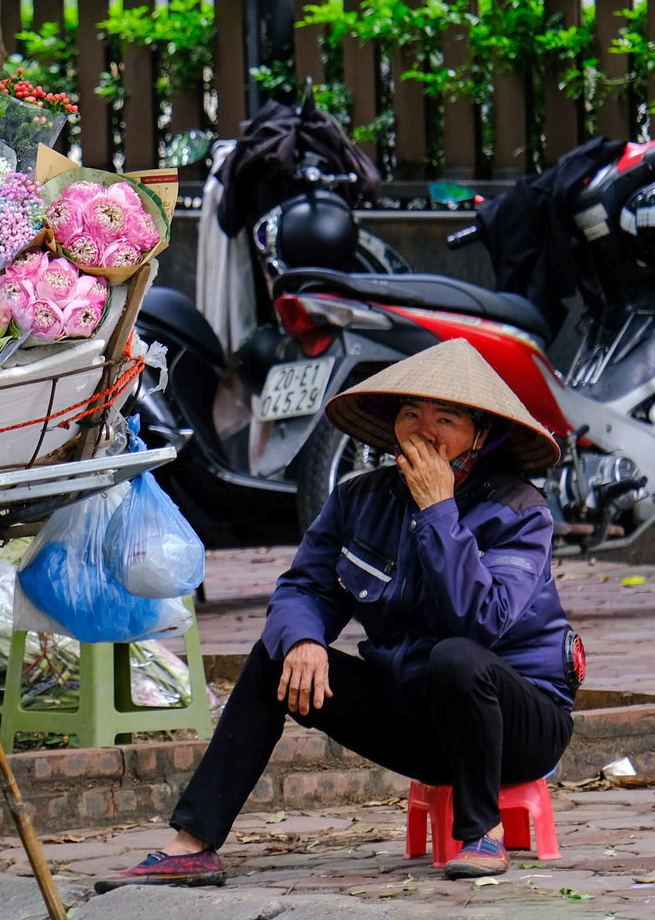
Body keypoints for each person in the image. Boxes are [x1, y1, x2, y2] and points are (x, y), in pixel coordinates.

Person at [99, 338, 576, 888]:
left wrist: (439, 511)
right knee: (274, 656)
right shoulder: (359, 499)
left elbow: (481, 622)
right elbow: (303, 587)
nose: (424, 431)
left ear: (481, 435)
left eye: (445, 419)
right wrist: (303, 640)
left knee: (457, 657)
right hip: (418, 717)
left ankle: (481, 833)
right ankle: (193, 843)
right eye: (411, 414)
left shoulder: (520, 511)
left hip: (519, 727)